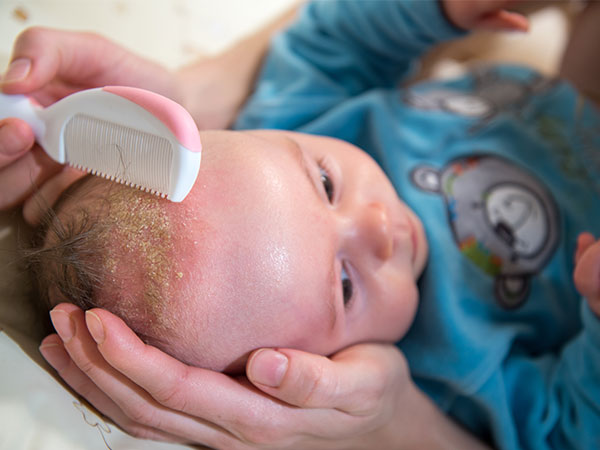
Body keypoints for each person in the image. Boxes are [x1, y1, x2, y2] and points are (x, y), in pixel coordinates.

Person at [2, 1, 599, 449]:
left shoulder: (297, 118)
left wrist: (435, 11)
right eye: (344, 285)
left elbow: (337, 39)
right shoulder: (451, 371)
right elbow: (566, 425)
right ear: (305, 373)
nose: (378, 228)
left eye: (327, 184)